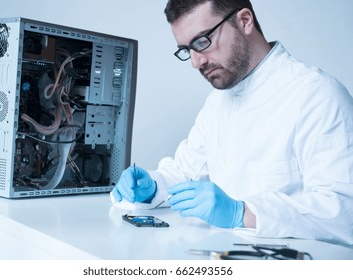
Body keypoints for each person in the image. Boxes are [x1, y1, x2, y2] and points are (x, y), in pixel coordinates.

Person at [111, 0, 353, 245]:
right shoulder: (217, 102)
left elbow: (344, 211)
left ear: (245, 21)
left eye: (202, 41)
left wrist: (243, 213)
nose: (196, 62)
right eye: (187, 50)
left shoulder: (317, 94)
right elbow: (187, 173)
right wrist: (152, 186)